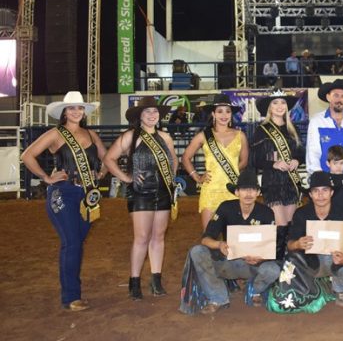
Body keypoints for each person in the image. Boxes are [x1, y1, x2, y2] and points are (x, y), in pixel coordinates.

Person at [21, 91, 107, 311]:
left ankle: (71, 292)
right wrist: (46, 177)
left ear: (84, 112)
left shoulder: (91, 135)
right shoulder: (55, 134)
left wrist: (101, 173)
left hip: (87, 196)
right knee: (72, 243)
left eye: (80, 108)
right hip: (63, 193)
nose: (76, 112)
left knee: (76, 242)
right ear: (64, 112)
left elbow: (107, 158)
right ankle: (71, 297)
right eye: (71, 108)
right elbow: (27, 155)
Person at [103, 96, 178, 300]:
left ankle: (156, 280)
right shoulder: (129, 136)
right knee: (142, 237)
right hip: (140, 193)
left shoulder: (165, 137)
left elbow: (174, 159)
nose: (152, 115)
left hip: (163, 192)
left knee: (159, 237)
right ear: (140, 116)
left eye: (155, 111)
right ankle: (134, 281)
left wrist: (170, 178)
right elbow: (109, 159)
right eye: (147, 112)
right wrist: (127, 178)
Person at [182, 169, 280, 315]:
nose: (248, 194)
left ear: (258, 192)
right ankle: (218, 297)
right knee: (197, 251)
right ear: (237, 192)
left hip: (254, 264)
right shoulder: (225, 208)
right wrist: (219, 244)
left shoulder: (266, 213)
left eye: (252, 189)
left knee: (273, 270)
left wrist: (261, 258)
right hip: (228, 261)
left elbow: (271, 246)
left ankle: (255, 290)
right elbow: (206, 238)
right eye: (244, 189)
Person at [282, 171, 343, 309]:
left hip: (336, 262)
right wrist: (297, 243)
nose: (320, 195)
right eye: (316, 191)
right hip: (310, 262)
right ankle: (315, 286)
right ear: (310, 194)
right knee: (291, 263)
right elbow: (289, 245)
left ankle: (338, 286)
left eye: (325, 190)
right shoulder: (301, 213)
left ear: (332, 193)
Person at [181, 94, 249, 230]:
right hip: (210, 190)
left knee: (233, 235)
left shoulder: (240, 135)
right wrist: (197, 177)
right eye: (220, 111)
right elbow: (185, 158)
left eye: (227, 111)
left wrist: (230, 172)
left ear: (231, 114)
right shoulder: (203, 136)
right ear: (213, 114)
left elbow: (244, 161)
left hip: (233, 190)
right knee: (209, 234)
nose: (224, 115)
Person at [252, 90, 304, 253]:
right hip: (272, 181)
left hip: (290, 181)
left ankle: (290, 262)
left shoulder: (293, 129)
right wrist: (273, 164)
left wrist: (297, 160)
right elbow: (255, 159)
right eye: (275, 103)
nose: (280, 106)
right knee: (279, 225)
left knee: (290, 225)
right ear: (269, 107)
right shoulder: (261, 130)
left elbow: (301, 153)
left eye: (283, 103)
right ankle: (278, 260)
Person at [306, 79, 343, 185]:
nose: (339, 99)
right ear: (328, 97)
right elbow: (312, 153)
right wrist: (322, 180)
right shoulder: (317, 121)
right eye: (336, 95)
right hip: (324, 182)